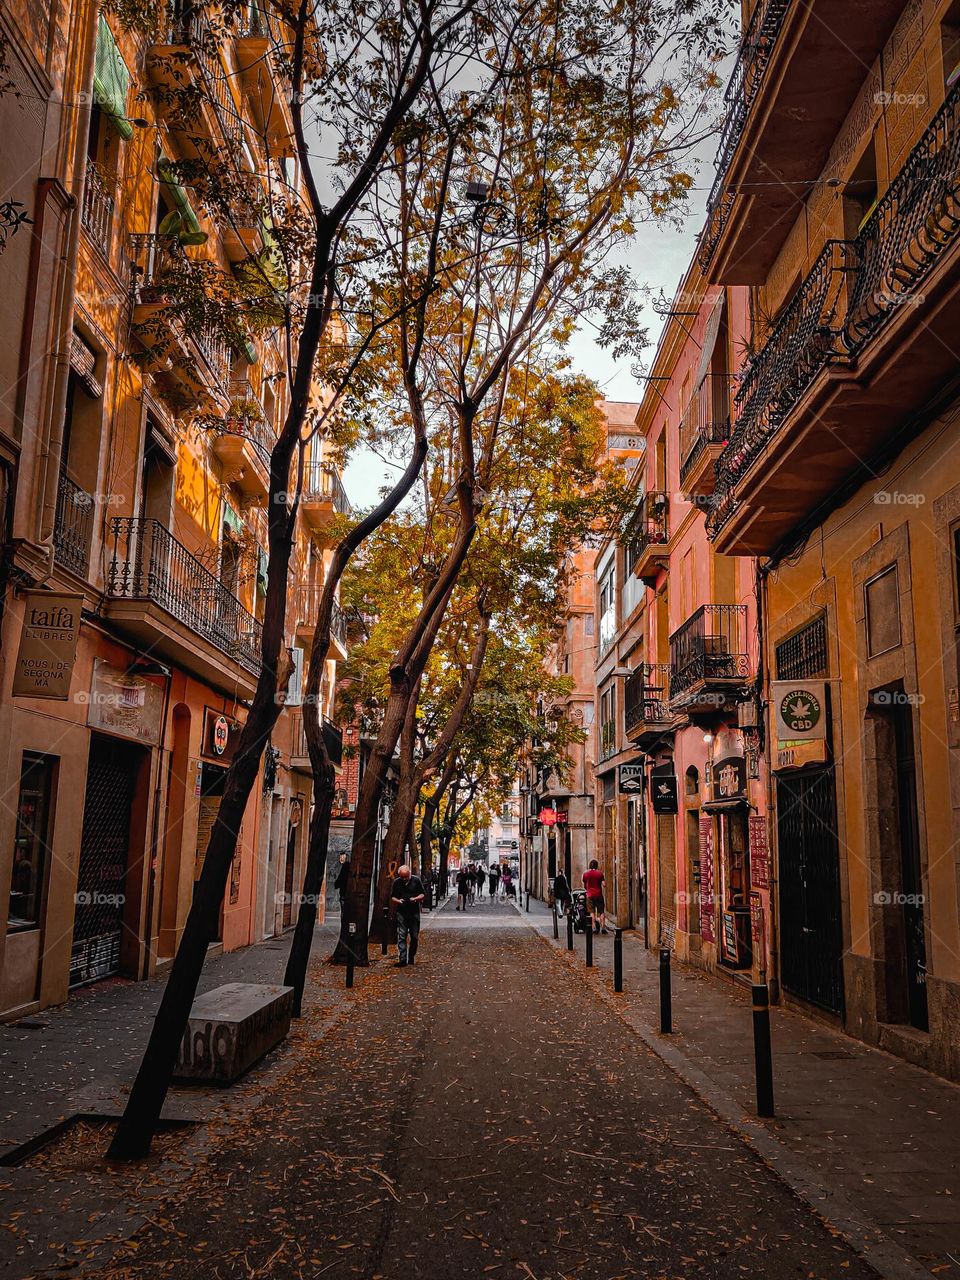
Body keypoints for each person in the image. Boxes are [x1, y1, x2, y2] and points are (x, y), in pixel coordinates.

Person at [390, 864, 425, 966]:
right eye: (402, 877)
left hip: (414, 912)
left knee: (414, 936)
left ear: (410, 873)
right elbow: (393, 897)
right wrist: (398, 901)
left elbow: (422, 894)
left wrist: (415, 899)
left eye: (406, 876)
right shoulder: (397, 882)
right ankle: (402, 959)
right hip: (401, 912)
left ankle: (411, 956)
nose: (405, 879)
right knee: (402, 935)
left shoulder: (416, 880)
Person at [582, 859, 607, 934]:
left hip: (589, 895)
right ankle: (603, 928)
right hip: (598, 895)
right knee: (601, 911)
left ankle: (593, 927)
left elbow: (585, 885)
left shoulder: (585, 874)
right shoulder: (599, 873)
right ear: (596, 866)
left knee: (592, 912)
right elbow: (604, 884)